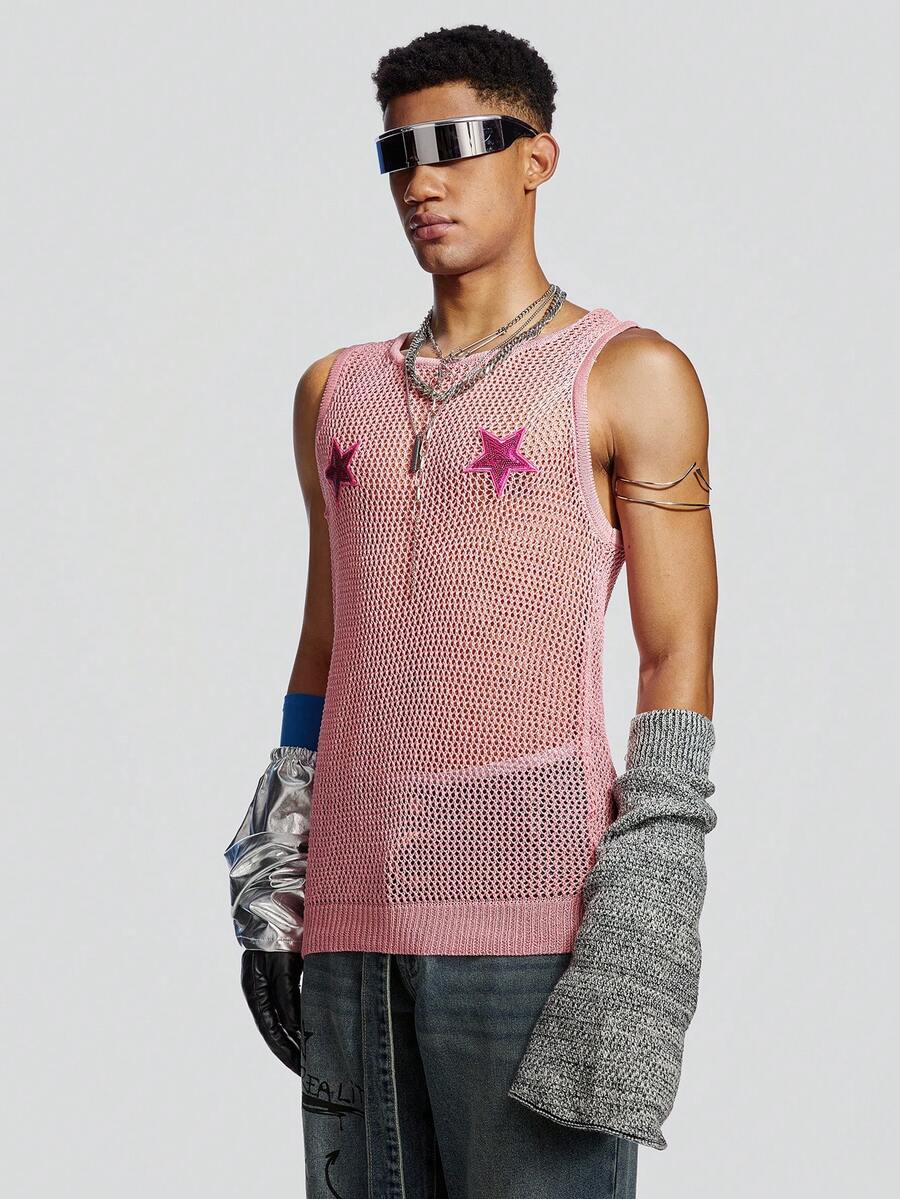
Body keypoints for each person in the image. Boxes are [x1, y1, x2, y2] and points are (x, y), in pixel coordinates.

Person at [224, 23, 718, 1199]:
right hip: (350, 918)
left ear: (538, 155)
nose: (423, 181)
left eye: (457, 144)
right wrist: (278, 868)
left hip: (533, 922)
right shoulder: (334, 389)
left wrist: (645, 920)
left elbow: (677, 652)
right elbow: (327, 639)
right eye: (399, 153)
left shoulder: (629, 372)